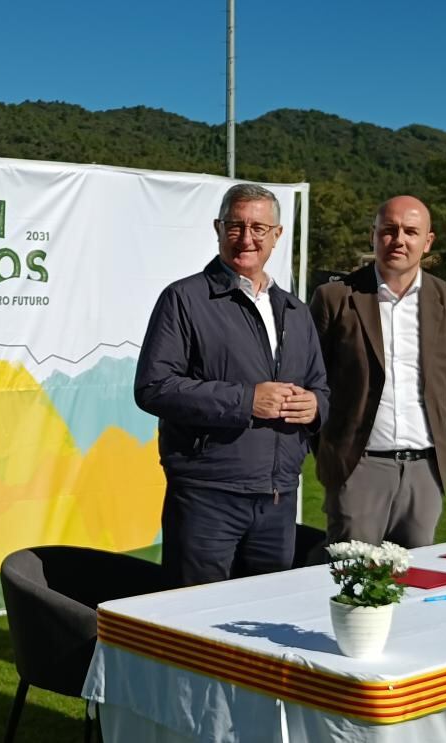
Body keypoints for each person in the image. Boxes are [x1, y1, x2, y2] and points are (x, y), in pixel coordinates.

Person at [135, 183, 330, 588]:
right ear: (218, 229)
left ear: (276, 236)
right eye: (236, 226)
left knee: (263, 622)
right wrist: (246, 401)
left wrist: (316, 407)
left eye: (259, 228)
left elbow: (320, 388)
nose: (246, 238)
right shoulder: (184, 299)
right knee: (193, 621)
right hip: (207, 497)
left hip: (277, 499)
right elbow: (153, 387)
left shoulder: (295, 310)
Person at [310, 195, 446, 548]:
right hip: (358, 467)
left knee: (417, 586)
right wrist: (331, 453)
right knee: (353, 586)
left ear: (427, 241)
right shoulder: (334, 297)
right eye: (389, 229)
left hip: (425, 471)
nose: (399, 239)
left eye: (411, 232)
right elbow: (313, 383)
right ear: (374, 235)